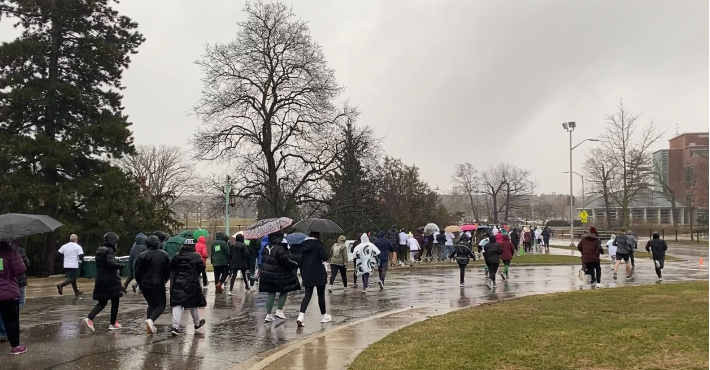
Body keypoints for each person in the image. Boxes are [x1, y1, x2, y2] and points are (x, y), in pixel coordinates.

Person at [83, 232, 124, 332]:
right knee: (115, 301)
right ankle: (113, 323)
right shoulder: (109, 250)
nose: (116, 245)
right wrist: (120, 265)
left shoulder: (99, 249)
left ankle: (89, 318)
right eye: (116, 243)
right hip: (110, 279)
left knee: (102, 302)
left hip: (101, 278)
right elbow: (110, 263)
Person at [260, 232, 300, 323]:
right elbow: (285, 261)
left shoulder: (266, 247)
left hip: (267, 273)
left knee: (271, 293)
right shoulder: (280, 248)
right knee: (285, 290)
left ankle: (268, 314)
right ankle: (279, 310)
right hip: (278, 274)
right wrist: (293, 264)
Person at [134, 235, 171, 334]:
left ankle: (150, 325)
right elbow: (168, 270)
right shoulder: (165, 255)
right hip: (158, 282)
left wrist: (140, 282)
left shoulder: (142, 255)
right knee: (161, 305)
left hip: (145, 284)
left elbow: (137, 272)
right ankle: (151, 321)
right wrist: (164, 280)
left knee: (151, 304)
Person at [169, 239, 207, 336]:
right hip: (192, 283)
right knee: (193, 303)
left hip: (178, 282)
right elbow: (202, 267)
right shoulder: (196, 256)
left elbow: (172, 268)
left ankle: (175, 327)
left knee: (177, 304)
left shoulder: (177, 255)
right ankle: (197, 323)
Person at [296, 232, 331, 327]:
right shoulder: (318, 245)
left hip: (307, 273)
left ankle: (301, 316)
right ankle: (324, 316)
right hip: (318, 272)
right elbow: (325, 257)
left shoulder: (303, 245)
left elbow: (300, 260)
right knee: (321, 295)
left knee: (307, 295)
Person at [0, 239, 27, 355]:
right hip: (8, 292)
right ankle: (15, 347)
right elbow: (20, 270)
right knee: (12, 320)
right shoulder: (11, 253)